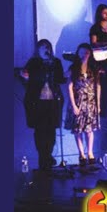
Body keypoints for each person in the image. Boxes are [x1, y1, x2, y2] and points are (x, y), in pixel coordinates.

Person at [20, 39, 65, 172]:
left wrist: (67, 75)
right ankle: (43, 158)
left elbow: (60, 79)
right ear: (38, 50)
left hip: (53, 102)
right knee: (40, 131)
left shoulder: (56, 62)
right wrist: (24, 77)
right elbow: (25, 78)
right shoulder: (33, 62)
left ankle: (48, 156)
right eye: (43, 47)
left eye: (48, 47)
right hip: (37, 103)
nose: (47, 49)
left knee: (51, 131)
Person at [65, 43, 101, 166]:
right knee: (78, 130)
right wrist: (73, 105)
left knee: (89, 130)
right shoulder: (73, 68)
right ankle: (81, 154)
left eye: (86, 52)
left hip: (90, 102)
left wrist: (98, 104)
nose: (84, 55)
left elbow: (98, 86)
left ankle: (90, 153)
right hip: (78, 102)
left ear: (89, 54)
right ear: (78, 53)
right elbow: (69, 87)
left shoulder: (94, 68)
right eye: (81, 52)